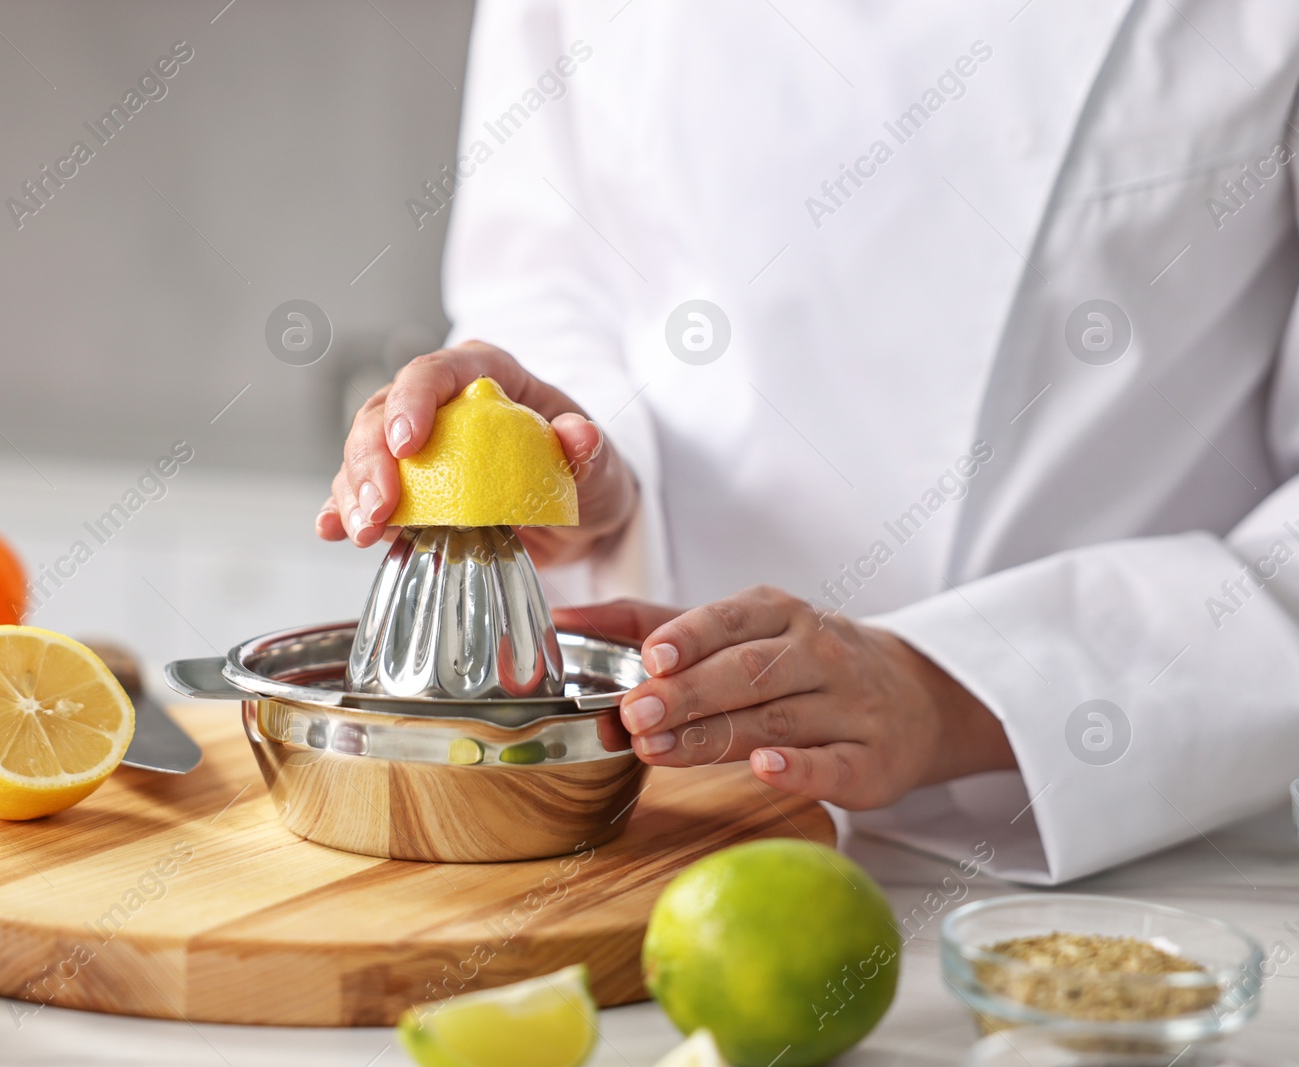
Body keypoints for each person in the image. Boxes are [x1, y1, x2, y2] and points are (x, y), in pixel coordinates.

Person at [320, 0, 1299, 884]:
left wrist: (951, 687)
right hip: (644, 833)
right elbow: (553, 283)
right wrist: (580, 482)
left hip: (1135, 857)